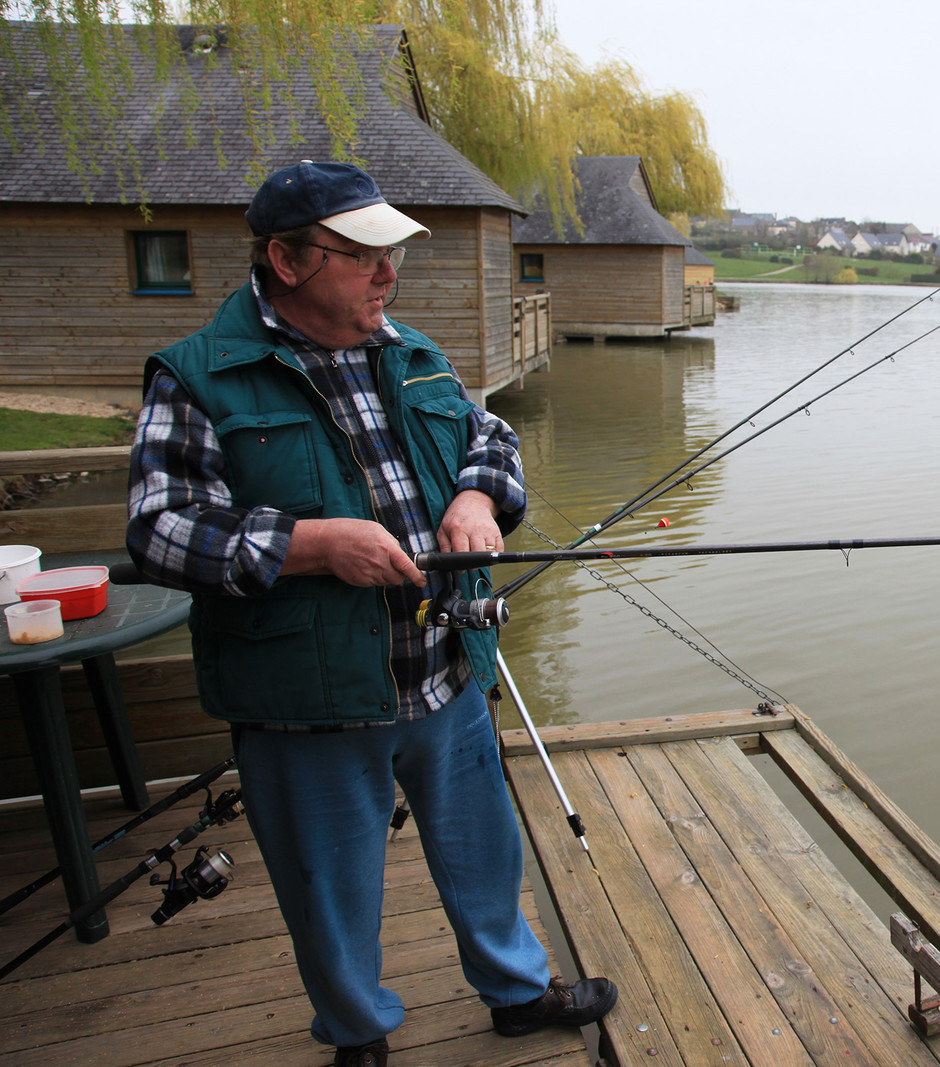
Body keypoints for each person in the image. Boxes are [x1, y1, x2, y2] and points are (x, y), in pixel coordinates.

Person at [127, 160, 616, 1067]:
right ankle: (358, 1030)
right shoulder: (196, 378)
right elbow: (159, 532)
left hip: (446, 670)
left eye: (392, 253)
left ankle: (514, 990)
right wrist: (309, 545)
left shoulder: (413, 350)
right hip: (305, 698)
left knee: (485, 855)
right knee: (328, 885)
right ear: (284, 259)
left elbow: (492, 438)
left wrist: (479, 500)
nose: (387, 273)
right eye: (360, 255)